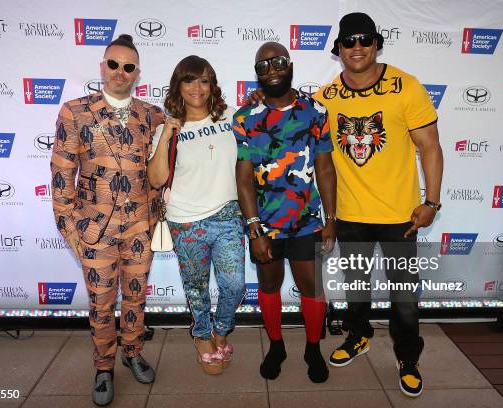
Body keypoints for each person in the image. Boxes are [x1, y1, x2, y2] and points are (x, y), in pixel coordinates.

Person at [316, 13, 444, 398]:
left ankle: (408, 357)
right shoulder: (326, 97)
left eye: (365, 39)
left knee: (404, 296)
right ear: (338, 49)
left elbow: (430, 147)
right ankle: (359, 336)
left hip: (399, 217)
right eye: (349, 41)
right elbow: (287, 115)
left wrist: (432, 202)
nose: (357, 47)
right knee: (356, 289)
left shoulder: (406, 86)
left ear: (377, 43)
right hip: (350, 215)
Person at [51, 34, 164, 406]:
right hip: (93, 230)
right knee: (101, 303)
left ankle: (132, 351)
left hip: (138, 229)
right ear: (102, 67)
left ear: (137, 74)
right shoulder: (75, 111)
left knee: (135, 298)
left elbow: (190, 124)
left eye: (128, 67)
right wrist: (73, 231)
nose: (120, 72)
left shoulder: (151, 115)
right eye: (113, 64)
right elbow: (61, 175)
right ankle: (103, 367)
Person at [234, 42, 337, 383]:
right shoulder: (245, 118)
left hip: (307, 221)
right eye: (263, 65)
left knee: (311, 287)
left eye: (278, 61)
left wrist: (331, 222)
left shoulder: (316, 111)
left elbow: (325, 168)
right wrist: (254, 229)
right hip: (265, 224)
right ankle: (276, 345)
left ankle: (312, 348)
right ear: (256, 73)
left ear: (289, 64)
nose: (272, 69)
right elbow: (244, 177)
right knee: (269, 284)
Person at [147, 55, 245, 376]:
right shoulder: (168, 128)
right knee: (196, 286)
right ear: (178, 86)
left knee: (234, 285)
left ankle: (221, 330)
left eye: (204, 80)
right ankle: (202, 335)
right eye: (189, 80)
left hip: (228, 214)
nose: (197, 88)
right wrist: (165, 135)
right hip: (185, 219)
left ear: (212, 85)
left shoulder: (231, 117)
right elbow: (157, 179)